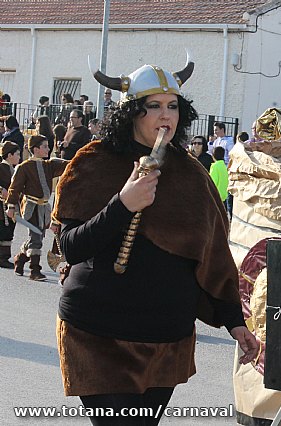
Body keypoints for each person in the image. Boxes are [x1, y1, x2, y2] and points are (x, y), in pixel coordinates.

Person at [53, 57, 258, 425]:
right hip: (97, 334)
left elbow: (212, 257)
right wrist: (123, 204)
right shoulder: (93, 162)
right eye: (154, 106)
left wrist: (234, 321)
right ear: (131, 111)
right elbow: (71, 247)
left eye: (173, 106)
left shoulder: (192, 174)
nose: (166, 115)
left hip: (167, 339)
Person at [6, 135, 68, 280]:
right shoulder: (24, 167)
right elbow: (14, 189)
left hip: (44, 208)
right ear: (36, 149)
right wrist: (11, 206)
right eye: (45, 146)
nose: (48, 149)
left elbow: (68, 164)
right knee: (36, 238)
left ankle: (20, 259)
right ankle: (35, 270)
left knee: (37, 236)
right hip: (30, 207)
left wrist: (81, 158)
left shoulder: (49, 165)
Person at [0, 141, 20, 268]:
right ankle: (2, 258)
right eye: (17, 154)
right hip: (2, 207)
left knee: (8, 230)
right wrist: (1, 190)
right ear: (9, 155)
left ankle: (4, 257)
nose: (19, 157)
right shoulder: (1, 167)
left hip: (10, 206)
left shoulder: (13, 169)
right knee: (4, 231)